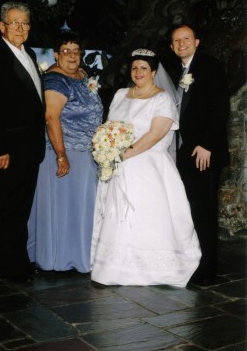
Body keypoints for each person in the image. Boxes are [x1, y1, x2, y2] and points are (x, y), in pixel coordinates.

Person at [91, 49, 201, 287]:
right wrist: (107, 148)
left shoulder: (162, 99)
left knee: (147, 215)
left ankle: (152, 268)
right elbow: (110, 126)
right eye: (134, 68)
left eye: (143, 68)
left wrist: (122, 155)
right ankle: (114, 268)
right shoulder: (121, 94)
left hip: (148, 165)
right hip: (118, 164)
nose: (138, 72)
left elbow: (154, 135)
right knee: (117, 216)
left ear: (153, 72)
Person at [0, 1, 46, 282]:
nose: (20, 28)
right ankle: (8, 266)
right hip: (8, 151)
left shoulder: (28, 54)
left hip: (29, 150)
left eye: (25, 23)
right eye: (14, 23)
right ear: (2, 26)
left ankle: (20, 260)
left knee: (21, 210)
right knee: (6, 210)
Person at [27, 32, 103, 273]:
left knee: (81, 208)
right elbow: (51, 117)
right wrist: (61, 156)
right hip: (65, 153)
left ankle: (80, 255)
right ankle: (60, 258)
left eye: (76, 51)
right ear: (56, 55)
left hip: (87, 155)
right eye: (66, 51)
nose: (72, 55)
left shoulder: (82, 75)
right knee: (65, 207)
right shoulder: (55, 80)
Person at [170, 24, 230, 286]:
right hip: (186, 151)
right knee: (191, 210)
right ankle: (194, 263)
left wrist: (207, 145)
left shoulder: (209, 66)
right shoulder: (178, 70)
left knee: (204, 211)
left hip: (203, 152)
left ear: (197, 42)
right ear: (172, 47)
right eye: (176, 41)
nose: (182, 44)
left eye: (186, 39)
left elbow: (220, 107)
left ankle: (208, 270)